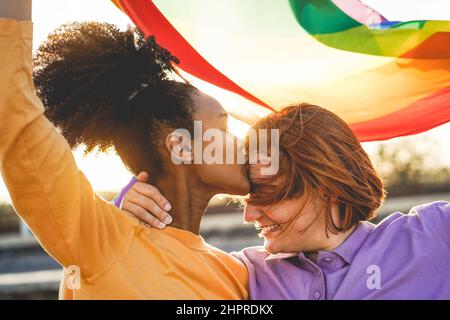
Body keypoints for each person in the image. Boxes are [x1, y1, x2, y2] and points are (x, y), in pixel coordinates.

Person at [0, 0, 250, 299]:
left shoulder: (237, 272)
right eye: (223, 129)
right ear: (181, 147)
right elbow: (14, 111)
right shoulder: (100, 240)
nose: (242, 144)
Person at [119, 104, 450, 299]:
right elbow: (147, 272)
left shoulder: (433, 236)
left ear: (326, 184)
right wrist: (128, 207)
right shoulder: (245, 273)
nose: (249, 214)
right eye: (248, 197)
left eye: (266, 194)